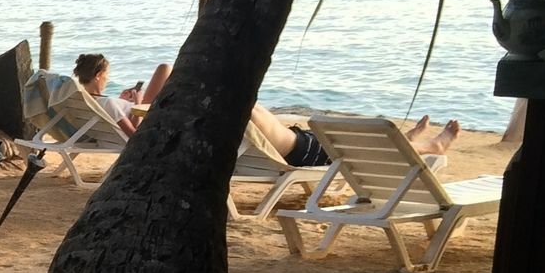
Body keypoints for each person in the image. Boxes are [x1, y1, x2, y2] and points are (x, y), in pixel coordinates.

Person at [119, 59, 460, 166]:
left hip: (296, 142)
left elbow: (165, 72)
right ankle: (431, 147)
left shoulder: (208, 114)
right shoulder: (237, 103)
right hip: (303, 151)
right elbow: (167, 69)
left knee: (362, 141)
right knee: (364, 148)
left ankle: (412, 138)